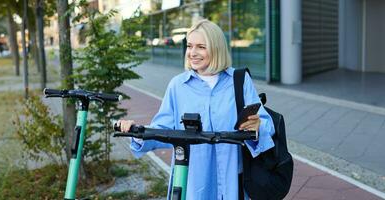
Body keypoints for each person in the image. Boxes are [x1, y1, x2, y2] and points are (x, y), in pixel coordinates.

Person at [116, 19, 275, 200]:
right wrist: (138, 132)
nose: (192, 53)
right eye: (189, 46)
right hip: (193, 182)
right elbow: (164, 130)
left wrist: (257, 126)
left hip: (234, 182)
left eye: (201, 47)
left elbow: (267, 126)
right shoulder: (178, 86)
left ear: (216, 48)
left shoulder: (239, 80)